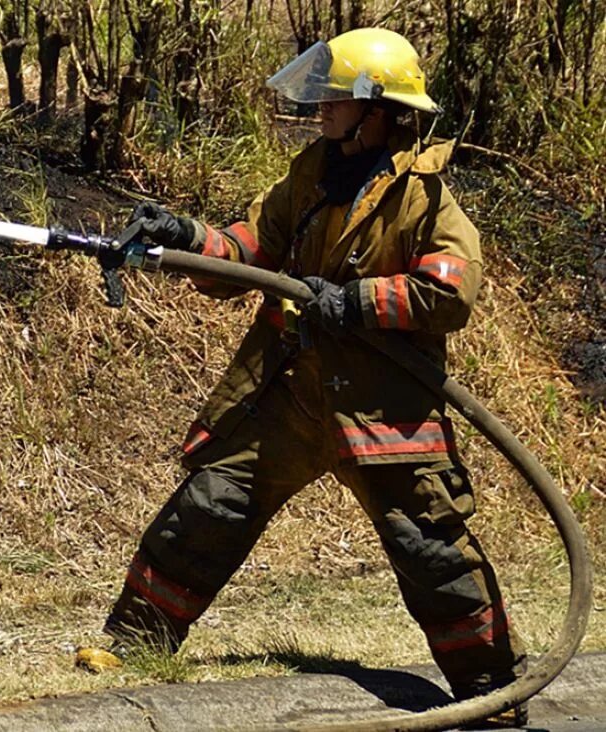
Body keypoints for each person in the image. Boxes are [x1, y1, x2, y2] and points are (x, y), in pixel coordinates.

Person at [77, 27, 528, 726]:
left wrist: (357, 301)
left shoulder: (424, 196)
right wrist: (185, 237)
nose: (320, 108)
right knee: (209, 506)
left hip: (383, 408)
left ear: (376, 108)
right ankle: (137, 647)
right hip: (291, 391)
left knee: (430, 550)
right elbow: (247, 249)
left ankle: (494, 698)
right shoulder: (313, 173)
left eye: (333, 97)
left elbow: (450, 291)